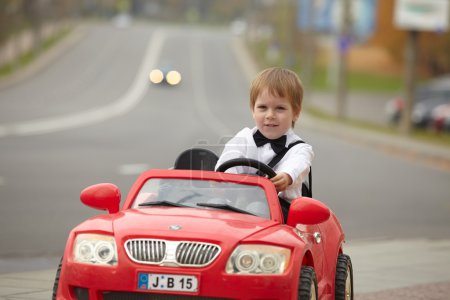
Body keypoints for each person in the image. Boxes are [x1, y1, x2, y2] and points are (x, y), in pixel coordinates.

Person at [215, 67, 314, 221]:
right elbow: (229, 157)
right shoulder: (244, 138)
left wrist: (286, 176)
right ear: (253, 110)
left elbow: (298, 163)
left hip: (281, 213)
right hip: (237, 204)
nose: (270, 115)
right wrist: (225, 182)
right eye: (262, 108)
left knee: (257, 209)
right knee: (213, 204)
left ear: (295, 112)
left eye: (280, 108)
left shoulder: (300, 149)